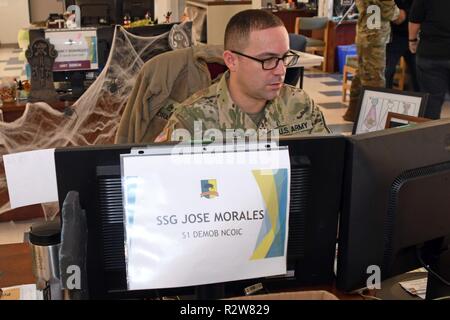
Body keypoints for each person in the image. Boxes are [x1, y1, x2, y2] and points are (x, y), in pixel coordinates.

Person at [155, 9, 329, 143]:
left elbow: (327, 166)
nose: (280, 70)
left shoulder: (300, 104)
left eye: (284, 58)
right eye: (267, 59)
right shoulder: (191, 120)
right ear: (231, 61)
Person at [343, 0, 405, 122]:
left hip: (363, 34)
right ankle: (373, 119)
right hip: (375, 37)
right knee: (375, 77)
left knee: (362, 73)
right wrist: (400, 13)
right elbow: (391, 13)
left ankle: (353, 112)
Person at [409, 0, 450, 120]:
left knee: (432, 101)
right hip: (431, 55)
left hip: (430, 54)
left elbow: (414, 21)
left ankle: (430, 137)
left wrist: (412, 41)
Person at [385, 0, 419, 91]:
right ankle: (385, 97)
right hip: (394, 37)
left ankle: (421, 101)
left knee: (418, 72)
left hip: (414, 35)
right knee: (388, 71)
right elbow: (393, 14)